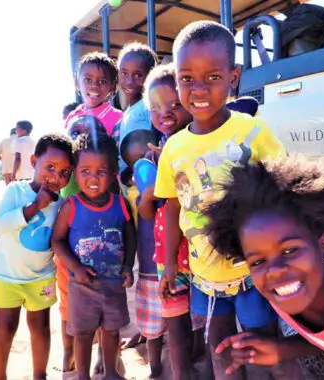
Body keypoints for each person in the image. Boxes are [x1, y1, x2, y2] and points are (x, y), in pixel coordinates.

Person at [154, 21, 300, 380]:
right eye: (187, 79)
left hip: (252, 272)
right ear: (176, 81)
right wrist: (171, 265)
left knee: (266, 350)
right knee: (220, 353)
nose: (199, 89)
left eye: (213, 77)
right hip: (205, 277)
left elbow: (284, 186)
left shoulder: (251, 131)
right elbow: (172, 206)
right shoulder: (173, 147)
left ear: (233, 77)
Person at [205, 155, 324, 379]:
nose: (275, 270)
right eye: (258, 261)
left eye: (290, 250)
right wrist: (282, 349)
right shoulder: (285, 291)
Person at [138, 63, 209, 380]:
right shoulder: (152, 159)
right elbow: (153, 210)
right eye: (155, 108)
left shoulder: (203, 145)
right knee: (176, 324)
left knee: (210, 323)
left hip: (206, 254)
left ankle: (209, 374)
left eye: (173, 104)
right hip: (172, 258)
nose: (164, 113)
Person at [52, 131, 136, 380]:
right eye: (85, 171)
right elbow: (57, 241)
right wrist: (75, 268)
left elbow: (129, 234)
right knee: (84, 333)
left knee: (111, 331)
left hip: (113, 284)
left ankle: (111, 372)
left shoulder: (120, 204)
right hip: (82, 286)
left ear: (112, 174)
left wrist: (128, 265)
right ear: (75, 173)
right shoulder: (72, 206)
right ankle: (83, 376)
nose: (92, 178)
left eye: (101, 172)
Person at [0, 133, 74, 380]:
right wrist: (35, 206)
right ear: (34, 160)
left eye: (65, 172)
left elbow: (59, 240)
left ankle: (40, 375)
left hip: (42, 279)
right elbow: (0, 225)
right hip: (7, 277)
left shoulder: (62, 204)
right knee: (4, 330)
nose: (56, 177)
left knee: (40, 328)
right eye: (50, 167)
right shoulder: (16, 191)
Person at [57, 114, 108, 374]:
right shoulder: (70, 182)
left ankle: (103, 355)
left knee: (102, 308)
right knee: (68, 309)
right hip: (70, 258)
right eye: (76, 135)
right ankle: (69, 355)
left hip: (102, 258)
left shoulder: (104, 177)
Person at [120, 129, 165, 378]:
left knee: (187, 320)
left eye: (150, 155)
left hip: (178, 265)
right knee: (152, 324)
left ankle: (192, 354)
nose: (146, 163)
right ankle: (155, 367)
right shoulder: (133, 196)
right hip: (149, 268)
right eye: (138, 161)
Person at [117, 42, 158, 174]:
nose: (129, 81)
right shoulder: (128, 111)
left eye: (138, 75)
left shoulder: (149, 106)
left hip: (146, 178)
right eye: (124, 73)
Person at [64, 51, 122, 142]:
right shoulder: (72, 116)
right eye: (88, 79)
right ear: (77, 83)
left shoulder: (118, 118)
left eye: (102, 81)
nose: (94, 85)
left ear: (112, 87)